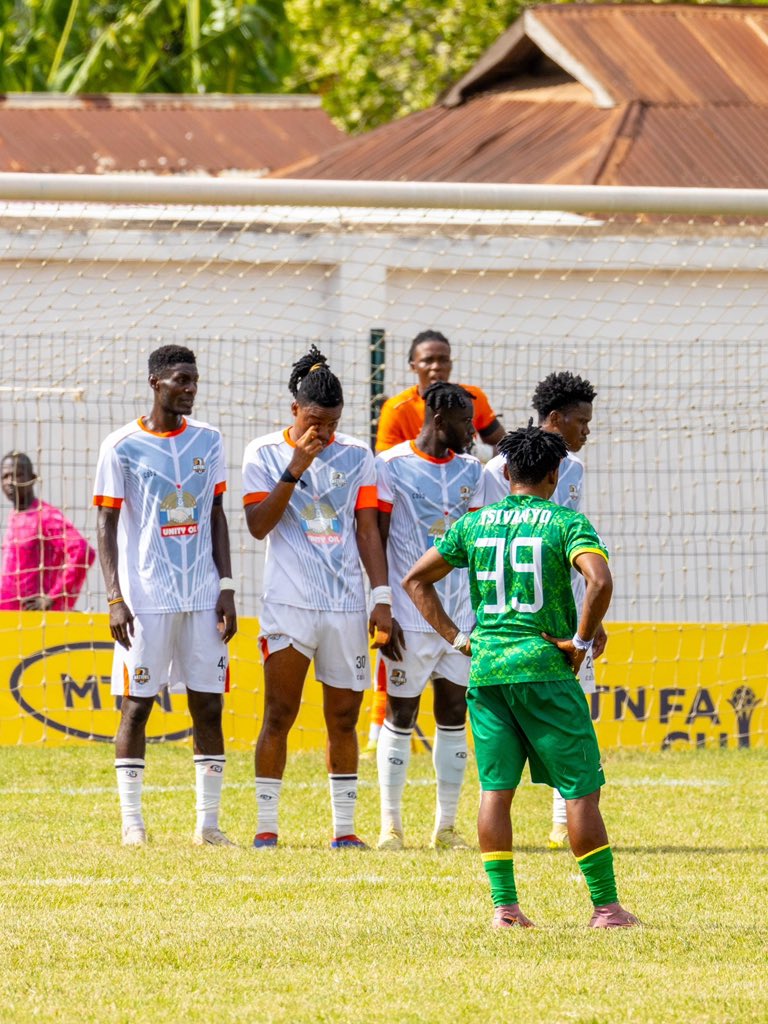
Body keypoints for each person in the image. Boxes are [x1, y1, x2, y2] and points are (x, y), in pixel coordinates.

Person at [403, 424, 638, 929]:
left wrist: (458, 639)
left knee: (496, 790)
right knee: (579, 791)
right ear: (554, 474)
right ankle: (606, 909)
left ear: (506, 472)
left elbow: (415, 579)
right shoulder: (566, 523)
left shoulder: (474, 524)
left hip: (486, 673)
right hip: (544, 670)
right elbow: (598, 580)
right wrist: (580, 639)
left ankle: (505, 910)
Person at [243, 345, 392, 850]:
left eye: (330, 422)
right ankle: (267, 827)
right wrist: (296, 465)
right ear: (294, 411)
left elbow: (368, 530)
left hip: (346, 605)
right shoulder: (263, 453)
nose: (322, 431)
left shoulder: (357, 456)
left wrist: (382, 597)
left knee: (343, 718)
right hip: (289, 605)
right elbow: (259, 526)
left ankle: (345, 831)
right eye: (313, 419)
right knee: (279, 713)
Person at [94, 344, 237, 847]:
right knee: (136, 707)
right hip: (146, 598)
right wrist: (115, 597)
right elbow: (107, 524)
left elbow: (217, 515)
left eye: (194, 380)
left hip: (202, 596)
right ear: (156, 382)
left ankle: (209, 825)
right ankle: (133, 823)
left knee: (209, 706)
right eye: (181, 380)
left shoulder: (210, 440)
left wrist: (226, 587)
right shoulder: (121, 445)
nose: (191, 388)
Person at [483, 370, 605, 849]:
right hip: (514, 623)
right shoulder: (499, 471)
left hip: (566, 614)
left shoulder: (576, 469)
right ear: (554, 418)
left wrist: (590, 620)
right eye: (581, 421)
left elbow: (576, 555)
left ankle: (561, 822)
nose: (586, 431)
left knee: (575, 714)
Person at [375, 382, 484, 851]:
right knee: (400, 714)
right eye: (465, 423)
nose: (472, 432)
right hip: (408, 617)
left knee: (455, 714)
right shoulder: (391, 466)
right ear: (440, 419)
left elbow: (477, 546)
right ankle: (391, 826)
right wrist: (379, 604)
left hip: (459, 618)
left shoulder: (472, 471)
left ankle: (446, 827)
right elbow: (375, 538)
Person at [374, 330, 505, 453]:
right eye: (428, 360)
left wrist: (476, 453)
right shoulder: (396, 408)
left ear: (450, 364)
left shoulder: (472, 397)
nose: (436, 367)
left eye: (443, 360)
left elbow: (503, 447)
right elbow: (383, 460)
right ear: (413, 367)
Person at [1, 451, 95, 611]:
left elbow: (83, 551)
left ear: (32, 478)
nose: (11, 481)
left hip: (32, 620)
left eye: (18, 475)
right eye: (6, 476)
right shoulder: (14, 516)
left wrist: (53, 597)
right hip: (8, 618)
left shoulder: (45, 515)